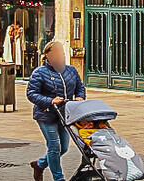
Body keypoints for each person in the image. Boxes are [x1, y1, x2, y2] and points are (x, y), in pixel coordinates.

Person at [27, 39, 86, 181]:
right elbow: (31, 93)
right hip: (46, 115)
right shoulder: (39, 72)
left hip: (65, 115)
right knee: (54, 148)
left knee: (64, 148)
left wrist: (79, 97)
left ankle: (39, 164)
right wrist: (50, 101)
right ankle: (58, 179)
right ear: (48, 55)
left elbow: (80, 87)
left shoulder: (71, 70)